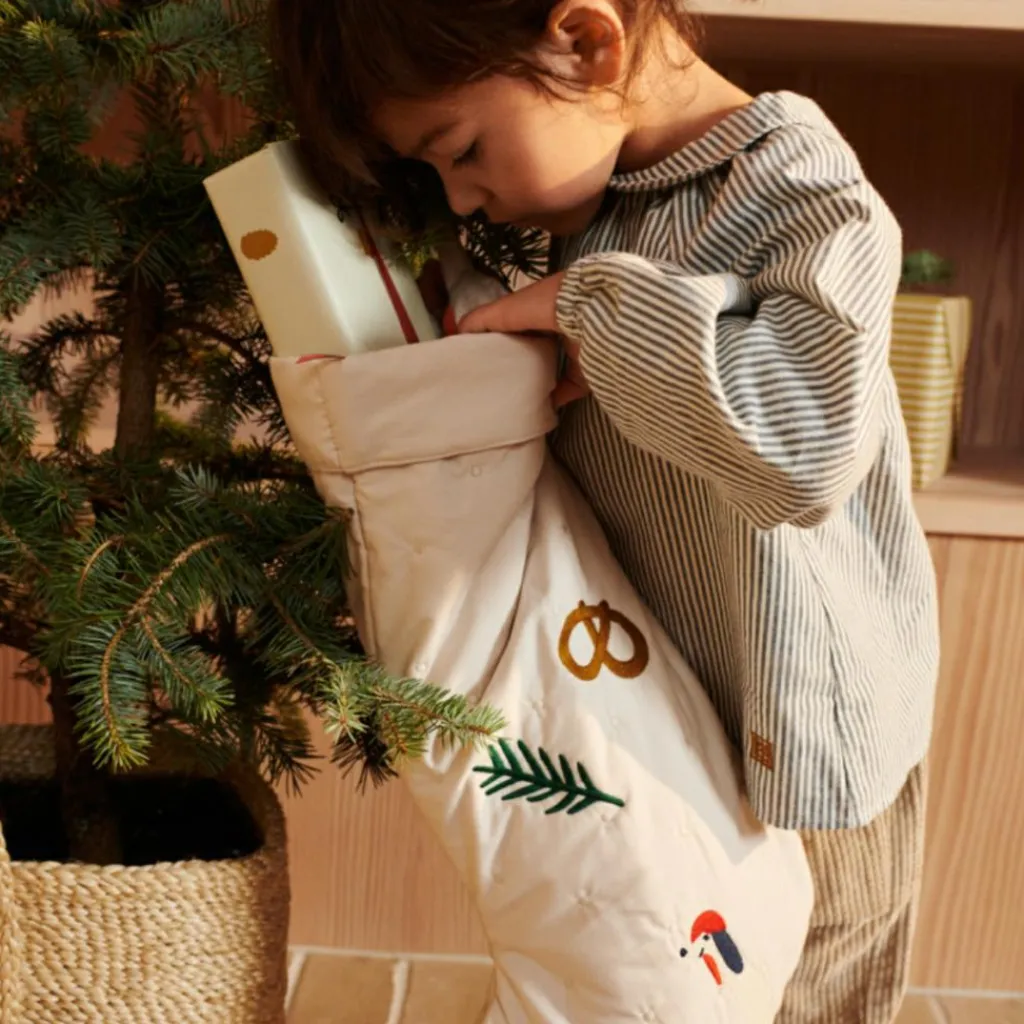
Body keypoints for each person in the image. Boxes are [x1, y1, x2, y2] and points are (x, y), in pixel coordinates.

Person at [269, 2, 941, 1021]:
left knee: (801, 992)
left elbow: (803, 449)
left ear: (586, 44)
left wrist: (591, 305)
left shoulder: (800, 188)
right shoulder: (586, 198)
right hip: (665, 704)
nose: (462, 195)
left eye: (462, 151)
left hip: (803, 737)